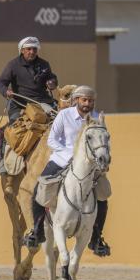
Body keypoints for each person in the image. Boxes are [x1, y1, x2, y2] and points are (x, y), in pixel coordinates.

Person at [23, 85, 112, 257]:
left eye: (91, 101)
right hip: (61, 159)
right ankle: (37, 231)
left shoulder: (97, 117)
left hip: (89, 165)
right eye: (84, 100)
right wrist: (71, 153)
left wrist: (102, 157)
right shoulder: (64, 115)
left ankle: (96, 238)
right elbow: (52, 140)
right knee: (38, 190)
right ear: (76, 100)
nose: (87, 104)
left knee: (103, 195)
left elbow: (103, 140)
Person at [0, 36, 57, 122]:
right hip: (20, 105)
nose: (32, 52)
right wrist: (5, 91)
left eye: (34, 49)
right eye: (29, 49)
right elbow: (0, 83)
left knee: (57, 121)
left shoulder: (44, 64)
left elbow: (52, 78)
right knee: (15, 126)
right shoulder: (13, 65)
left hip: (43, 103)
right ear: (22, 50)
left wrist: (52, 82)